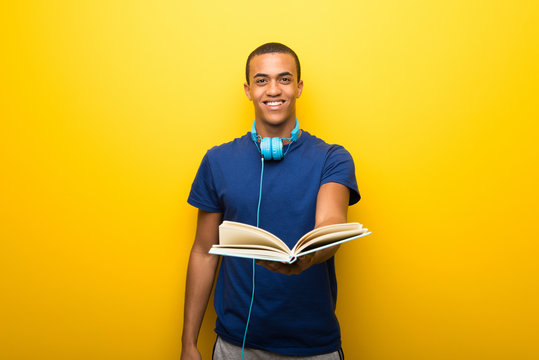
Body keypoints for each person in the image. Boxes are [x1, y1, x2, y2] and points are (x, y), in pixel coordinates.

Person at [181, 43, 360, 359]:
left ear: (299, 87)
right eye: (262, 80)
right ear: (248, 90)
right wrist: (188, 344)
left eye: (285, 79)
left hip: (314, 346)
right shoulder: (217, 161)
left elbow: (331, 223)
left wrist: (309, 255)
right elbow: (203, 251)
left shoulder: (333, 158)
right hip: (236, 344)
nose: (273, 90)